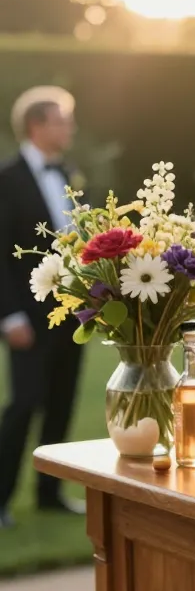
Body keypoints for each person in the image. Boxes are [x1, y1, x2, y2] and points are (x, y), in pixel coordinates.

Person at [0, 86, 85, 528]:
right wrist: (8, 316)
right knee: (24, 404)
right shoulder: (7, 178)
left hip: (73, 314)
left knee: (61, 402)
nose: (70, 127)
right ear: (37, 126)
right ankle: (0, 499)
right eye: (62, 120)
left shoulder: (68, 173)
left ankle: (50, 492)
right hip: (27, 318)